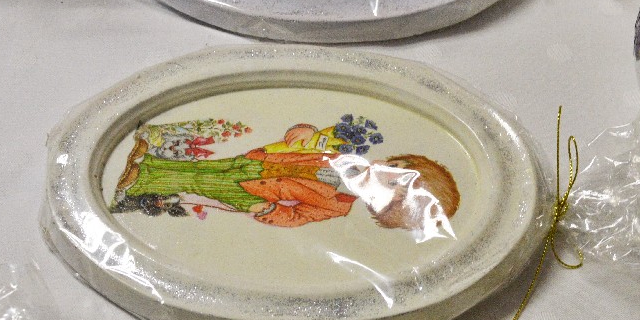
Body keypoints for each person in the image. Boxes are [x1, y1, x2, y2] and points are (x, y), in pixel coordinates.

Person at [111, 123, 460, 231]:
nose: (386, 174)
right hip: (257, 164)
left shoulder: (337, 206)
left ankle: (141, 182)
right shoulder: (342, 153)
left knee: (200, 184)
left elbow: (298, 217)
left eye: (393, 186)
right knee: (205, 169)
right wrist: (304, 131)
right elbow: (312, 139)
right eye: (395, 168)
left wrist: (269, 212)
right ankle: (148, 165)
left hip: (256, 193)